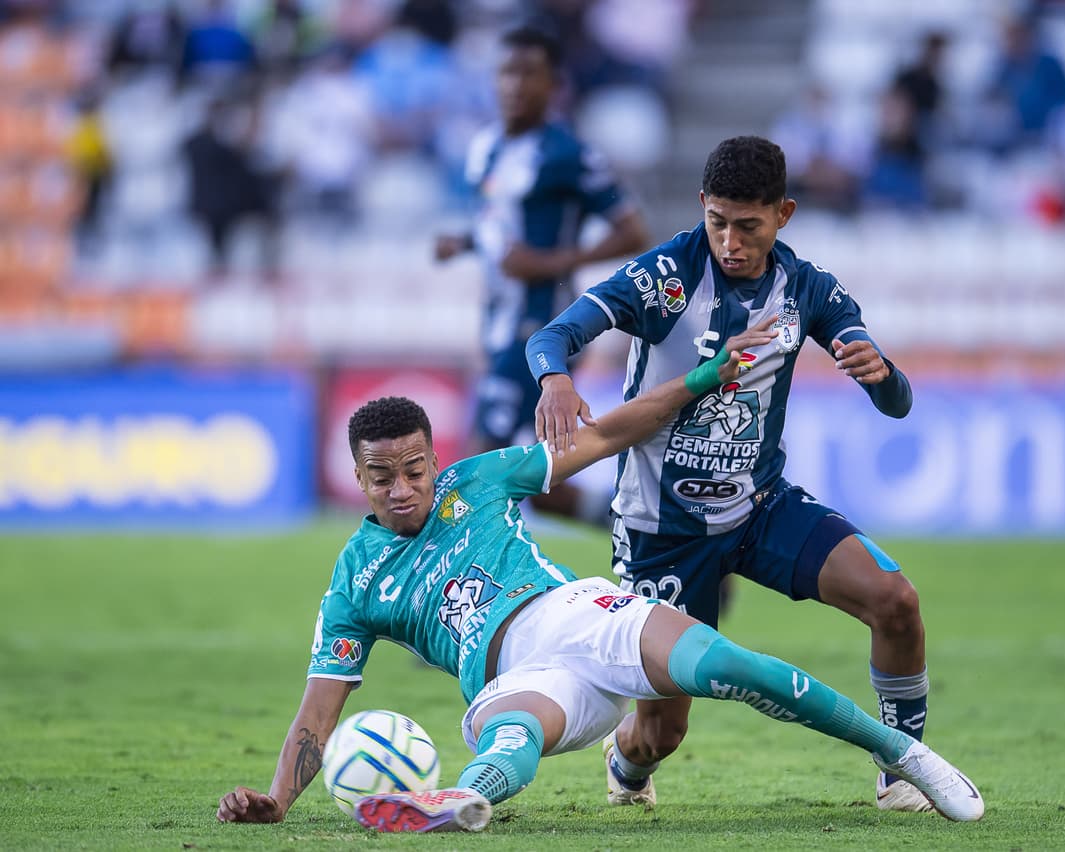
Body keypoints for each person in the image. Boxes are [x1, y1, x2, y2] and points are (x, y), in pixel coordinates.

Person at [215, 323, 984, 834]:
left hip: (577, 612)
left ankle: (905, 755)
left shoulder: (477, 480)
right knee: (511, 731)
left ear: (433, 459)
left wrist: (705, 377)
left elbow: (608, 433)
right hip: (512, 676)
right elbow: (318, 709)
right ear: (357, 475)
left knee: (725, 667)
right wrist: (278, 799)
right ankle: (463, 799)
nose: (402, 489)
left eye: (415, 470)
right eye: (381, 478)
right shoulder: (355, 581)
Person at [526, 135, 937, 813]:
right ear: (701, 208)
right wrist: (555, 381)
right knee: (663, 730)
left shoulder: (805, 289)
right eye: (718, 222)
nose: (731, 241)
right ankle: (625, 762)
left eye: (748, 226)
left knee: (896, 601)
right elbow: (551, 336)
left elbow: (899, 403)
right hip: (663, 529)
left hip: (760, 505)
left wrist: (882, 375)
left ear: (785, 214)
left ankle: (903, 769)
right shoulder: (663, 278)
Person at [434, 24, 649, 523]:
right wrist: (463, 242)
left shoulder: (568, 155)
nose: (515, 84)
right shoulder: (485, 146)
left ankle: (470, 588)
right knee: (534, 484)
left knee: (475, 465)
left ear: (554, 85)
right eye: (508, 72)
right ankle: (645, 528)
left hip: (541, 327)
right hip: (497, 322)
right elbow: (499, 231)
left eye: (530, 74)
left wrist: (549, 263)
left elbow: (633, 231)